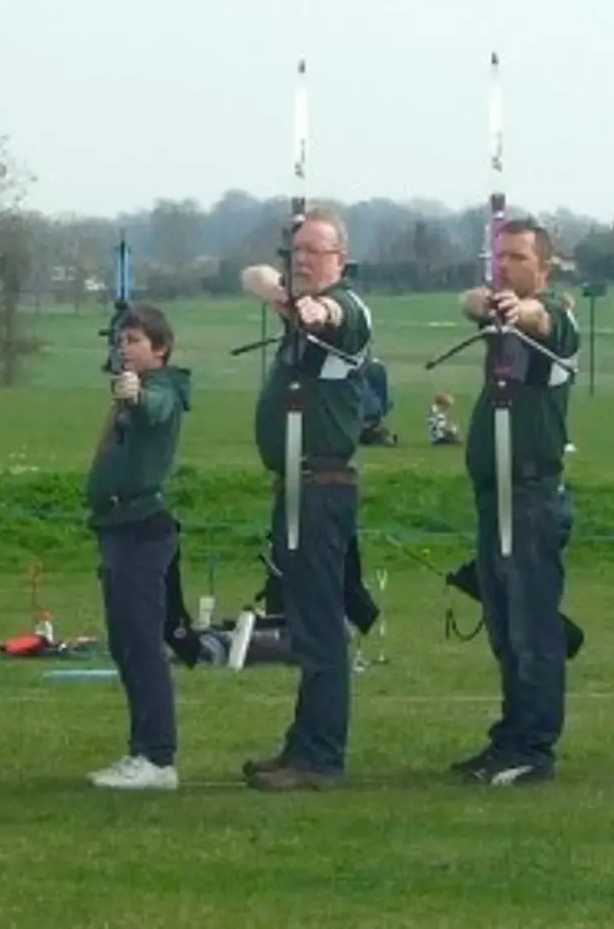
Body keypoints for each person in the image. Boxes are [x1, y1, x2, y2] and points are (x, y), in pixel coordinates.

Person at [236, 206, 375, 792]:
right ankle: (303, 743)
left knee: (319, 624)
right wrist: (283, 292)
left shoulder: (349, 309)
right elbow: (253, 277)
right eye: (297, 253)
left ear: (340, 258)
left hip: (321, 485)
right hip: (294, 484)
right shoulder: (291, 300)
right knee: (301, 619)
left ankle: (321, 756)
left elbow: (333, 314)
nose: (304, 262)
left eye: (316, 253)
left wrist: (313, 306)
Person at [448, 218, 580, 786]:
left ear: (544, 268)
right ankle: (511, 733)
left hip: (528, 494)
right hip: (493, 494)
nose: (506, 267)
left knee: (532, 628)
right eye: (499, 257)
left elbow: (545, 322)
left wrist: (519, 311)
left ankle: (534, 747)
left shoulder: (557, 320)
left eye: (519, 258)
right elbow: (469, 300)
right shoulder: (495, 310)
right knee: (503, 627)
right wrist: (488, 302)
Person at [83, 303, 192, 791]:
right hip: (115, 526)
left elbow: (159, 407)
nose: (123, 349)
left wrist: (136, 394)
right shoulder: (131, 391)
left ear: (160, 348)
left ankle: (157, 757)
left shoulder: (163, 387)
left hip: (142, 529)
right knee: (125, 645)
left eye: (134, 341)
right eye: (120, 341)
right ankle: (141, 750)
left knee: (143, 646)